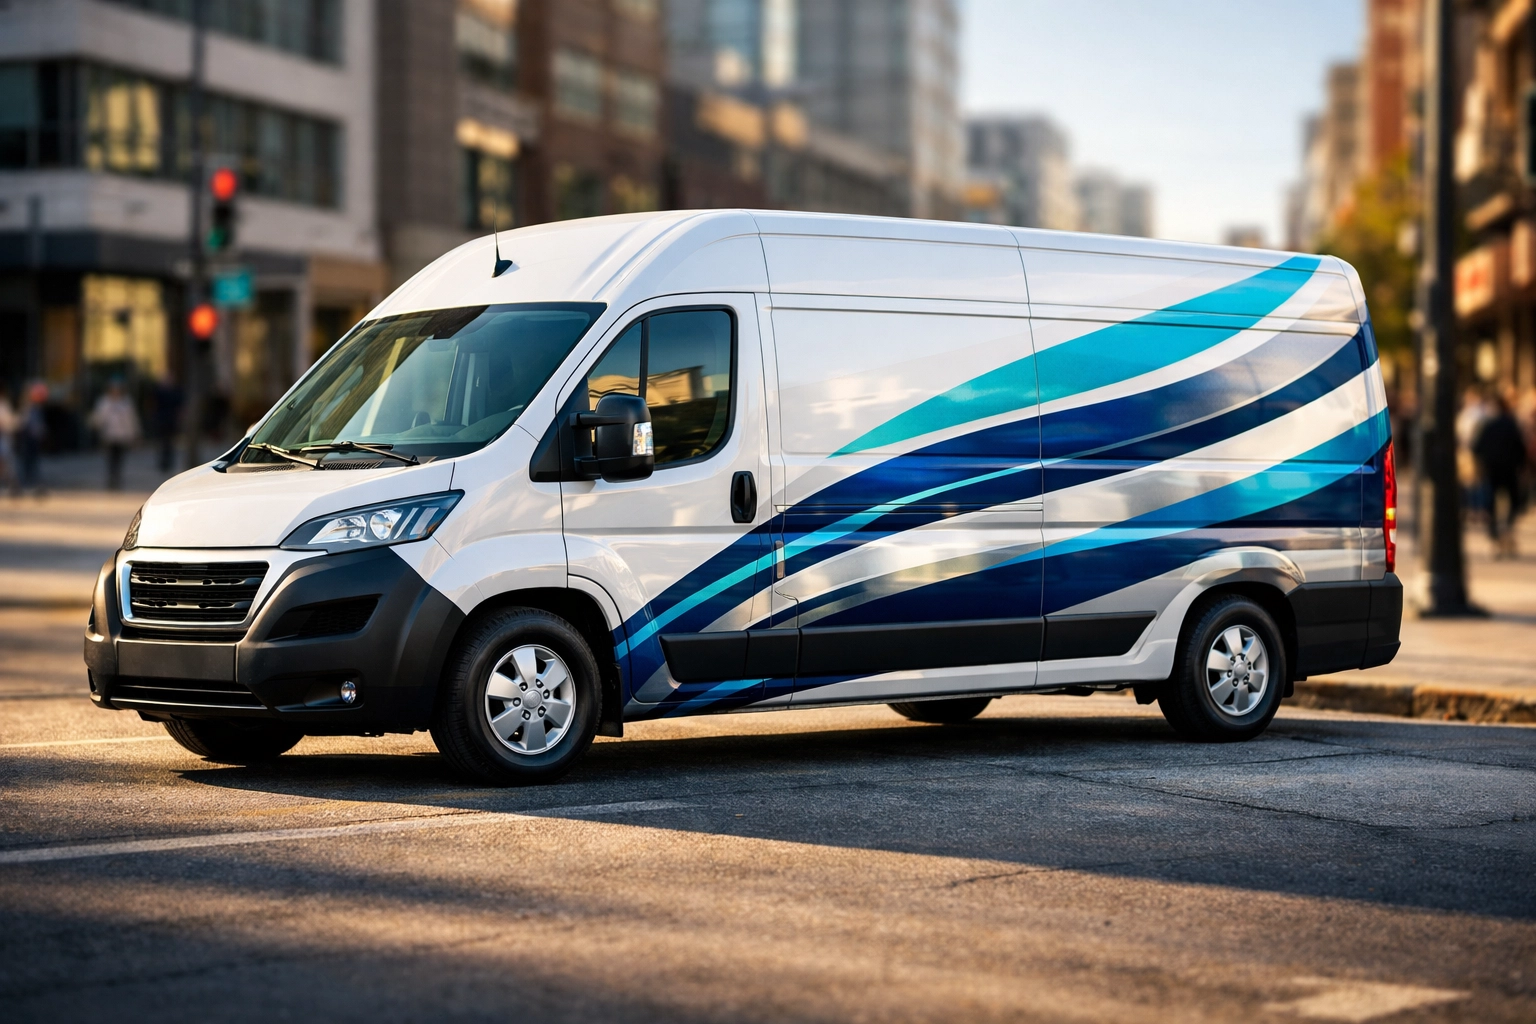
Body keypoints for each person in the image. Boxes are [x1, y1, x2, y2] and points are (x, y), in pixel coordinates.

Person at [1472, 392, 1528, 559]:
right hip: (1509, 469)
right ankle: (1506, 527)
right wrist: (1521, 465)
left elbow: (1477, 447)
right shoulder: (1511, 424)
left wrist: (1482, 463)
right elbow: (1520, 448)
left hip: (1492, 469)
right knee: (1514, 501)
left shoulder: (1488, 425)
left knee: (1491, 502)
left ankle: (1495, 534)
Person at [88, 379, 141, 491]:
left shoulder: (126, 403)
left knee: (119, 459)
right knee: (110, 458)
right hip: (109, 435)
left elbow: (131, 420)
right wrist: (95, 425)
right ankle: (111, 479)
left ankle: (117, 478)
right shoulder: (105, 402)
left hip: (122, 436)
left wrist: (134, 434)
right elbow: (99, 417)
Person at [17, 381, 48, 494]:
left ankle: (31, 483)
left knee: (32, 461)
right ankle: (25, 483)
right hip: (28, 437)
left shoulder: (35, 408)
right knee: (28, 461)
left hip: (33, 438)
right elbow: (24, 422)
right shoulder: (28, 407)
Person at [151, 372, 183, 473]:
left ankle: (168, 462)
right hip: (162, 420)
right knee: (162, 443)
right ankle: (163, 462)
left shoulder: (175, 391)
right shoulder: (159, 391)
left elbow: (179, 407)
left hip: (170, 420)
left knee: (169, 443)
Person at [0, 389, 17, 493]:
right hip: (4, 437)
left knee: (6, 461)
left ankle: (12, 484)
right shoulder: (4, 406)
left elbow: (9, 423)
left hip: (4, 437)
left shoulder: (4, 406)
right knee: (5, 462)